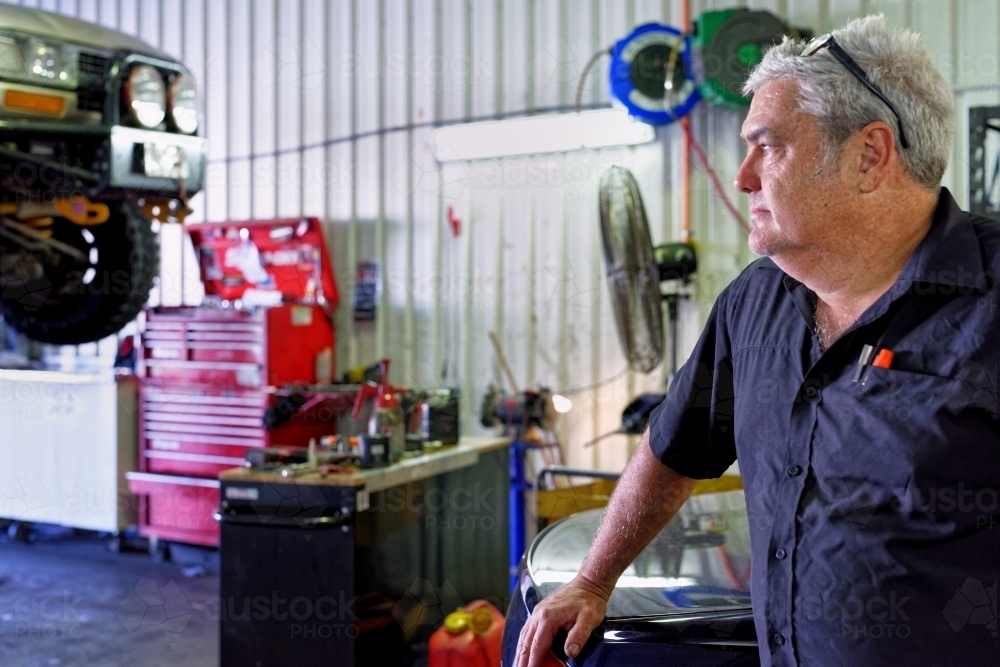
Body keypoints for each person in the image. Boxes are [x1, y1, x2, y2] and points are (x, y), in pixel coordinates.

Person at [515, 14, 998, 667]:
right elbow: (673, 449)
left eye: (768, 146)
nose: (741, 178)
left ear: (870, 155)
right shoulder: (754, 303)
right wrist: (594, 579)